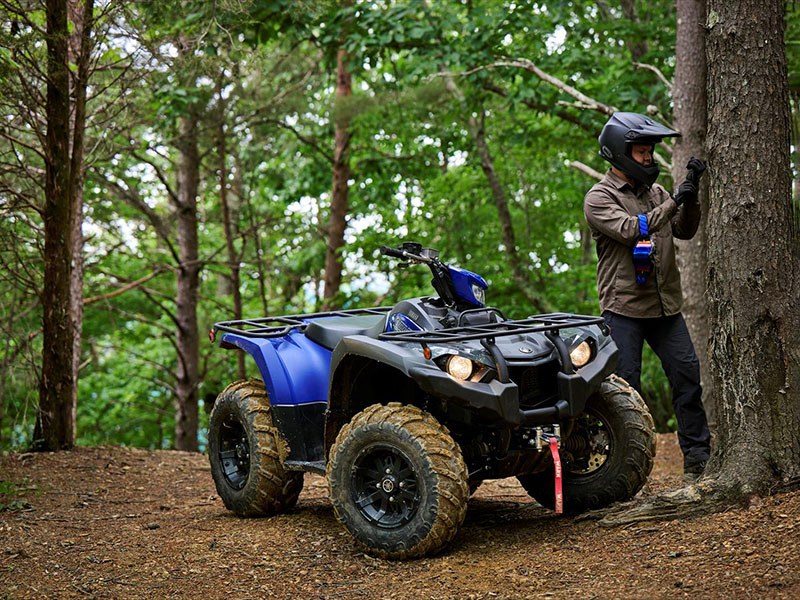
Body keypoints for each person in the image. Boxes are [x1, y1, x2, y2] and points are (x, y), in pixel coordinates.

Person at [583, 112, 711, 482]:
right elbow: (629, 229)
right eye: (641, 152)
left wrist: (690, 192)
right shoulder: (599, 197)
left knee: (687, 376)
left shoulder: (655, 193)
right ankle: (626, 474)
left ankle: (698, 461)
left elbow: (684, 231)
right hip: (624, 309)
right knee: (626, 392)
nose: (648, 159)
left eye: (650, 152)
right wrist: (672, 202)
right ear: (620, 153)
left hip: (665, 306)